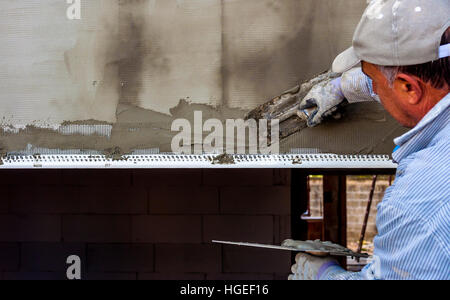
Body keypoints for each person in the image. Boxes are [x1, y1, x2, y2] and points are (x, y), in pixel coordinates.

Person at [289, 0, 450, 280]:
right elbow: (407, 86)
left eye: (371, 79)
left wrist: (322, 274)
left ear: (408, 87)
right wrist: (342, 87)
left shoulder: (419, 204)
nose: (372, 86)